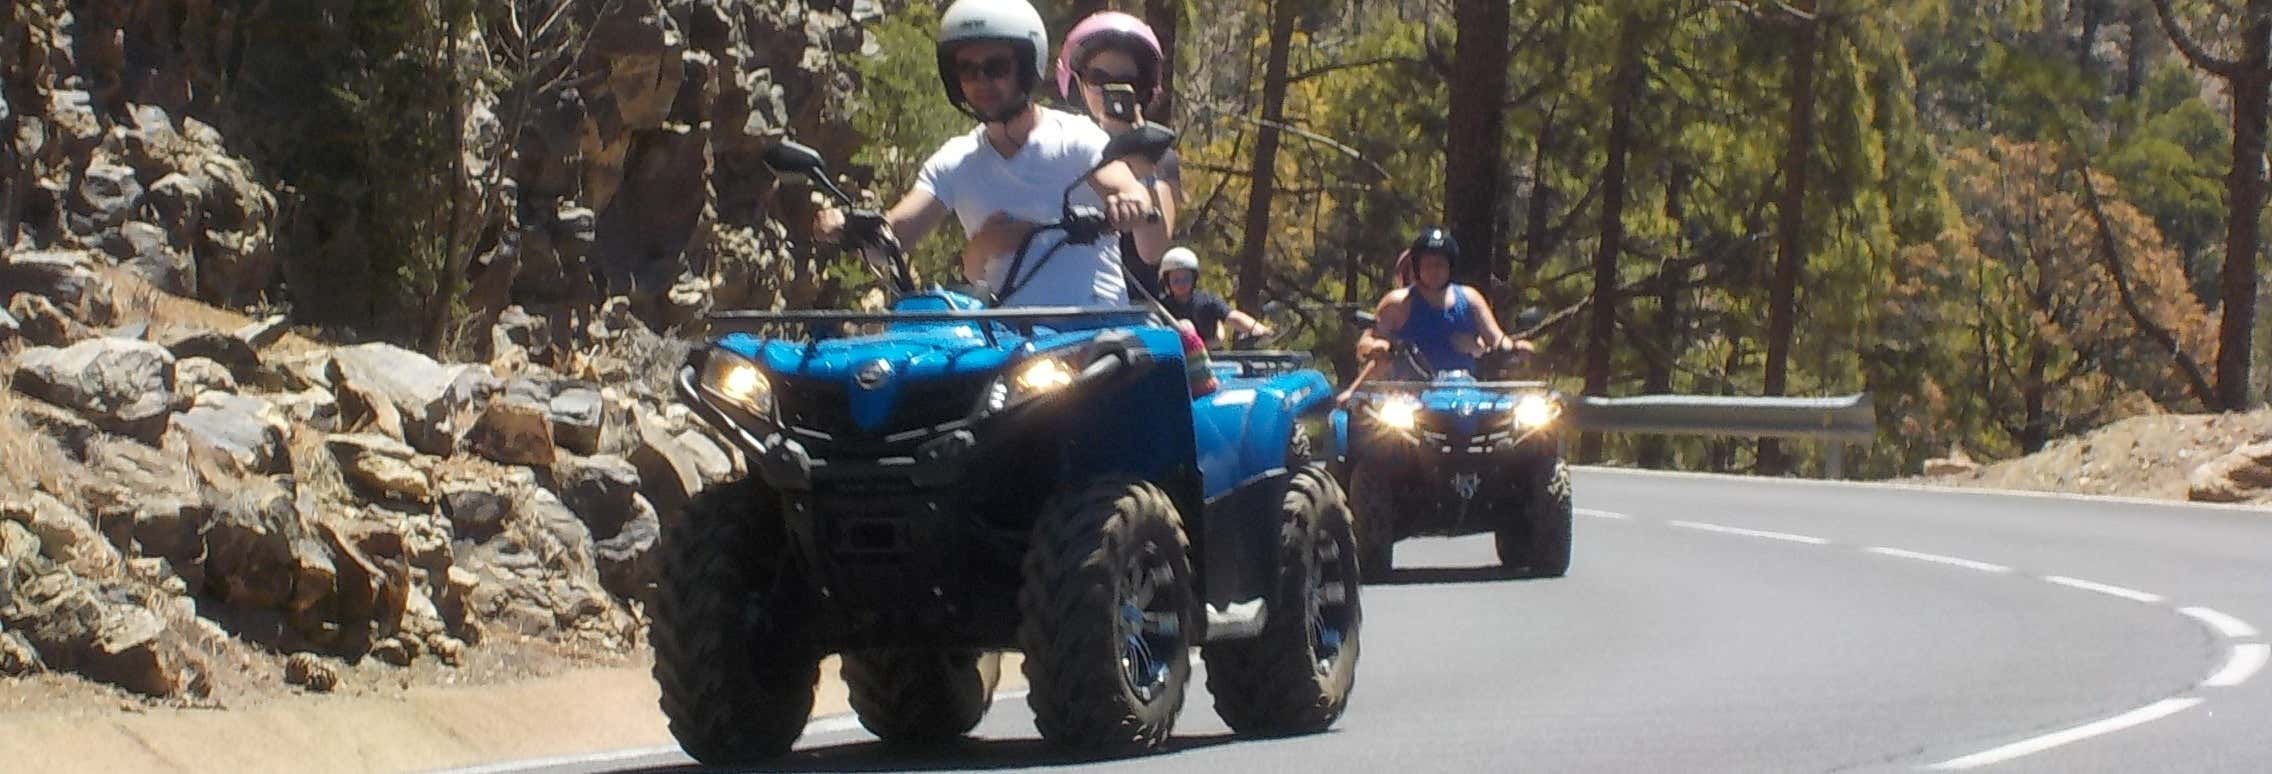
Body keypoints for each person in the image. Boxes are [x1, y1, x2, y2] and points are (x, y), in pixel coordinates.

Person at [814, 0, 1164, 307]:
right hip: (1004, 346)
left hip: (1093, 335)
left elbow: (1121, 184)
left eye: (995, 67)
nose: (980, 81)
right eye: (967, 69)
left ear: (1027, 67)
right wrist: (846, 226)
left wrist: (1130, 200)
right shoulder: (954, 161)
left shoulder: (1074, 137)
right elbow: (894, 236)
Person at [1056, 11, 1181, 298]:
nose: (1108, 90)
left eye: (1126, 81)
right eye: (1097, 77)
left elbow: (1152, 249)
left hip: (1132, 310)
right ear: (1076, 82)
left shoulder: (1159, 154)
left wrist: (1137, 151)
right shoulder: (1058, 144)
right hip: (1060, 302)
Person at [1355, 227, 1529, 377]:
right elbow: (1367, 342)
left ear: (1450, 267)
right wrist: (1374, 349)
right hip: (1409, 398)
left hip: (1465, 395)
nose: (1434, 271)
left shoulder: (1470, 299)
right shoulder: (1397, 303)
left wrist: (1515, 349)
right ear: (1417, 268)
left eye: (1440, 264)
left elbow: (1496, 339)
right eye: (1428, 265)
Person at [1156, 247, 1269, 348]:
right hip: (1176, 363)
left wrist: (1257, 328)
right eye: (1176, 280)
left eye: (1186, 278)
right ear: (1167, 281)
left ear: (1194, 279)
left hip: (1214, 362)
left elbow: (1232, 317)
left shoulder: (1208, 301)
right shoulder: (1161, 307)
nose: (1181, 284)